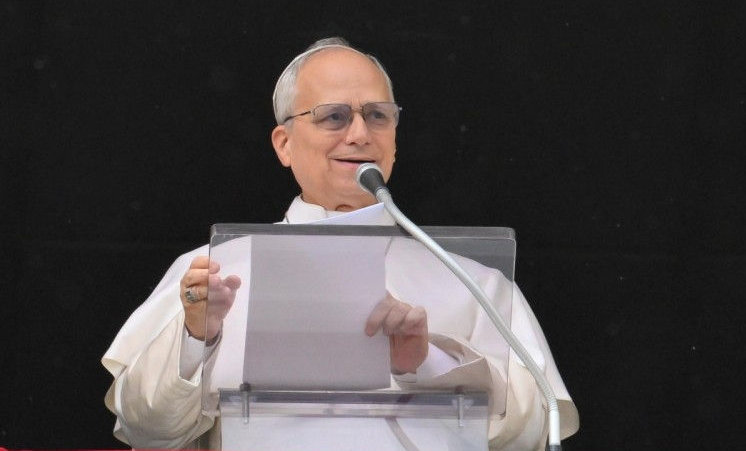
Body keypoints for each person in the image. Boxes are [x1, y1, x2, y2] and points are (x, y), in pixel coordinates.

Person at [102, 37, 579, 450]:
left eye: (377, 116)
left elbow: (535, 432)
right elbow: (146, 428)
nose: (359, 134)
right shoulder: (210, 271)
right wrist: (195, 337)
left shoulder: (476, 284)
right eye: (333, 117)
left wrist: (426, 363)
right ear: (284, 143)